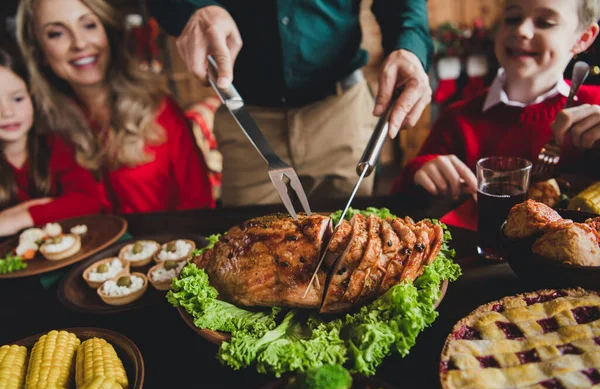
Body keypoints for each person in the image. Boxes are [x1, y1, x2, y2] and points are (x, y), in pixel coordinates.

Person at [147, 1, 433, 206]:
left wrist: (410, 47)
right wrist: (192, 8)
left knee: (352, 255)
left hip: (341, 112)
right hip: (248, 124)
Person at [16, 0, 215, 214]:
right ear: (39, 52)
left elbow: (199, 205)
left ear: (108, 32)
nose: (80, 43)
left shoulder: (159, 107)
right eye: (56, 33)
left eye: (89, 25)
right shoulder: (42, 128)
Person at [392, 0, 600, 198]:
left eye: (545, 23)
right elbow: (399, 195)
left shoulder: (595, 106)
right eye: (512, 18)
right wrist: (420, 173)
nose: (521, 30)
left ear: (583, 38)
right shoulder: (458, 119)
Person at [0, 47, 102, 237]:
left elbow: (87, 200)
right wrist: (51, 206)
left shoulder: (56, 144)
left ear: (33, 98)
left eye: (17, 98)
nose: (7, 112)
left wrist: (20, 217)